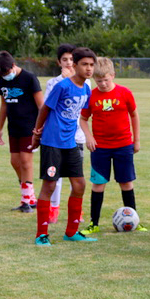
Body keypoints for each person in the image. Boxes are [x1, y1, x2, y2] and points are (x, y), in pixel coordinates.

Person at [30, 47, 97, 246]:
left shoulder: (86, 88)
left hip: (70, 143)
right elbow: (45, 109)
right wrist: (36, 133)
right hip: (52, 142)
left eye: (92, 65)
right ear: (74, 66)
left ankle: (71, 231)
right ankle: (41, 234)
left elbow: (81, 115)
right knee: (49, 185)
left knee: (79, 184)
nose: (89, 69)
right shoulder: (62, 86)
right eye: (84, 64)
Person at [80, 57, 140, 231]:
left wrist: (136, 140)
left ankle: (134, 221)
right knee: (98, 184)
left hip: (123, 145)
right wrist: (89, 137)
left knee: (126, 182)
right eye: (99, 81)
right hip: (100, 148)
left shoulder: (125, 93)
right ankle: (94, 223)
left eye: (106, 79)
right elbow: (83, 119)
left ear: (113, 75)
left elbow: (134, 115)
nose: (103, 84)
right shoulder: (91, 95)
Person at [43, 44, 91, 230]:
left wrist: (87, 135)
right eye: (65, 60)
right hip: (55, 139)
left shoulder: (86, 83)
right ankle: (53, 209)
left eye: (72, 60)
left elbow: (84, 113)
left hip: (76, 137)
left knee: (76, 177)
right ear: (59, 62)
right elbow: (46, 108)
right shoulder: (54, 83)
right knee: (54, 179)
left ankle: (75, 216)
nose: (69, 63)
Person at [0, 51, 43, 212]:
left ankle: (26, 201)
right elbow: (4, 105)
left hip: (30, 128)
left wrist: (39, 129)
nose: (5, 76)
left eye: (7, 73)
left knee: (26, 162)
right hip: (13, 127)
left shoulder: (29, 78)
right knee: (15, 162)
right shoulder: (2, 81)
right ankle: (30, 197)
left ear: (13, 66)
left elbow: (42, 106)